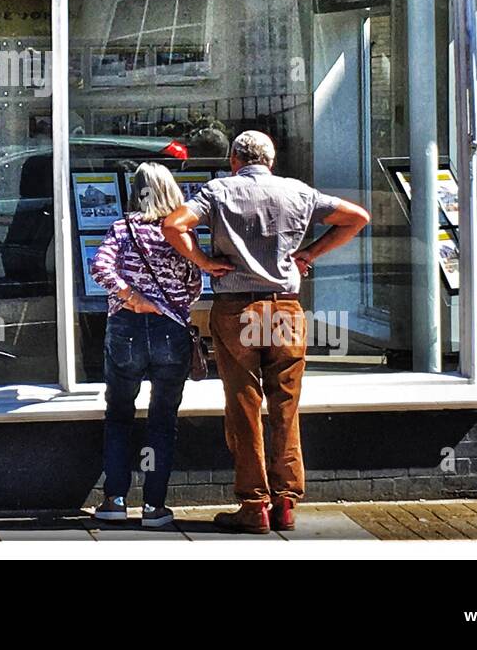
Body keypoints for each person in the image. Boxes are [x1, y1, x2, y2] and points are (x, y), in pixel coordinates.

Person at [162, 130, 370, 534]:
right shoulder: (298, 191)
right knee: (285, 405)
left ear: (234, 160)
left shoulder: (217, 191)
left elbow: (174, 225)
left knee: (243, 404)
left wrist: (203, 261)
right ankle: (287, 501)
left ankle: (254, 503)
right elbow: (357, 217)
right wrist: (309, 253)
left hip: (237, 307)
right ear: (271, 162)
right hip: (286, 307)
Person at [89, 162, 218, 528]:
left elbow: (100, 267)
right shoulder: (179, 233)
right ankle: (153, 507)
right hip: (170, 331)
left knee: (118, 415)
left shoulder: (122, 228)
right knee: (163, 419)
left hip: (125, 328)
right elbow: (194, 283)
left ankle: (114, 500)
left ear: (136, 191)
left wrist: (131, 297)